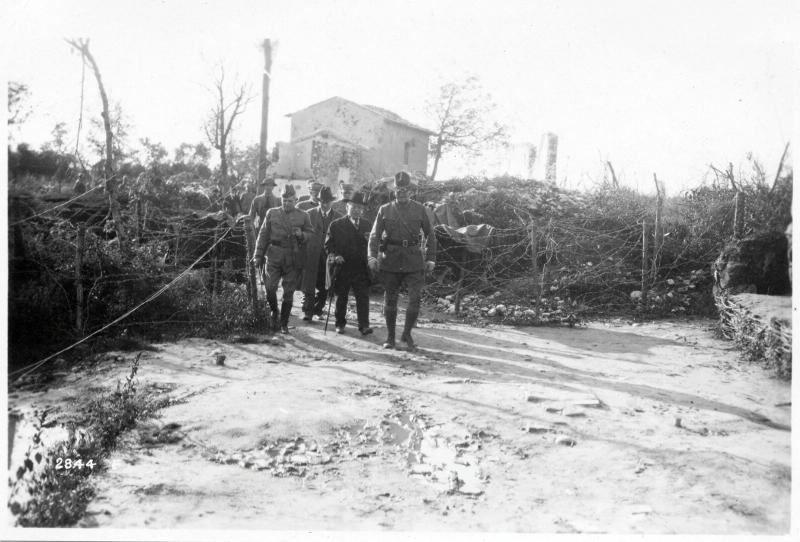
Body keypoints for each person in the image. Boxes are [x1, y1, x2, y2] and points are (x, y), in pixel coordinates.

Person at [368, 171, 436, 350]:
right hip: (391, 258)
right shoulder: (385, 209)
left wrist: (431, 259)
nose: (402, 192)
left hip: (414, 259)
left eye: (405, 189)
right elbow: (374, 236)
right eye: (399, 189)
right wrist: (372, 256)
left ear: (411, 191)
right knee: (390, 299)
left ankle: (406, 334)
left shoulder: (420, 209)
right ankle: (390, 337)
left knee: (415, 298)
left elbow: (431, 235)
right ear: (394, 191)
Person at [253, 184, 314, 333]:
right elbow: (263, 235)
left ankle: (284, 323)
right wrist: (258, 255)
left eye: (290, 201)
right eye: (284, 200)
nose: (286, 203)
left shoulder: (303, 215)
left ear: (296, 200)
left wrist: (302, 235)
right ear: (281, 199)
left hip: (292, 257)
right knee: (270, 288)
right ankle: (274, 310)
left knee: (288, 292)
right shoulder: (272, 213)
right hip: (273, 255)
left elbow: (311, 234)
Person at [326, 191, 373, 335]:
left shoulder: (368, 225)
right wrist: (335, 256)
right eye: (353, 207)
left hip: (361, 268)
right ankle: (340, 324)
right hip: (343, 267)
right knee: (341, 297)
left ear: (363, 209)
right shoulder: (336, 225)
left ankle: (364, 325)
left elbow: (374, 244)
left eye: (360, 207)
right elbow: (328, 245)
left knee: (363, 297)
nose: (357, 210)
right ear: (347, 206)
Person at [300, 186, 342, 321]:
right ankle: (308, 311)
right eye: (322, 201)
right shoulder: (309, 214)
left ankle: (318, 308)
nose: (324, 204)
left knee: (326, 286)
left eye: (327, 201)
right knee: (309, 284)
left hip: (328, 257)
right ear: (318, 201)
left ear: (332, 202)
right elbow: (302, 233)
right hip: (311, 254)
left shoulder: (338, 218)